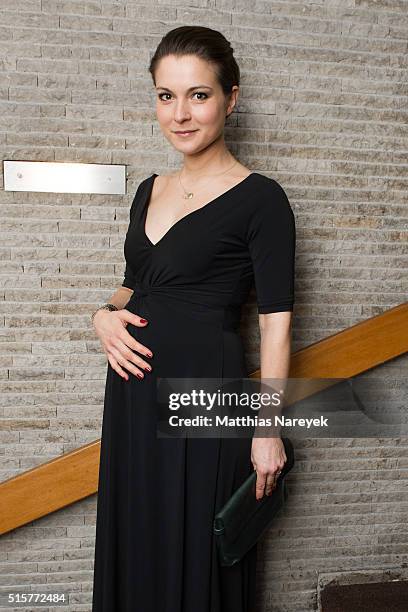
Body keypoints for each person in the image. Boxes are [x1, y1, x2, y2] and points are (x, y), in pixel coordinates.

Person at [91, 25, 295, 612]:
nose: (179, 114)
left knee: (198, 551)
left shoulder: (262, 199)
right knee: (139, 534)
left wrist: (267, 427)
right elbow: (134, 287)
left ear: (231, 98)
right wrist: (101, 316)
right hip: (132, 391)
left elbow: (275, 322)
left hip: (206, 393)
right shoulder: (148, 189)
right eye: (165, 95)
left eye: (198, 95)